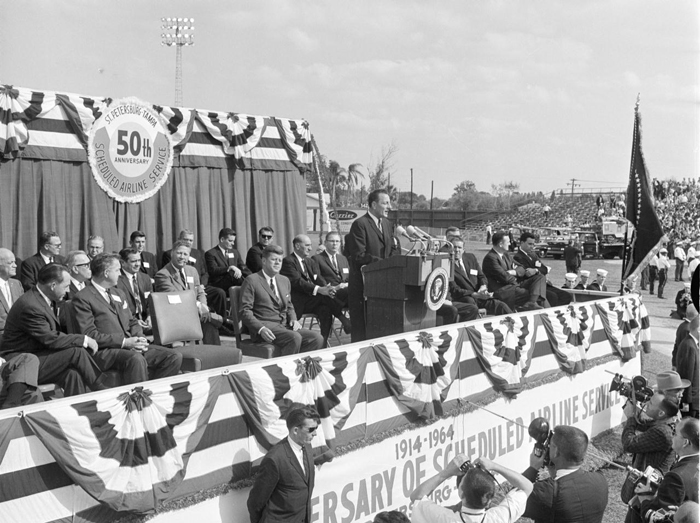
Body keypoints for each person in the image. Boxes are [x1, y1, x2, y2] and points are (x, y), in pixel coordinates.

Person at [72, 254, 182, 384]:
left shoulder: (118, 293)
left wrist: (139, 338)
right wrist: (124, 342)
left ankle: (153, 391)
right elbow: (89, 335)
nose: (120, 274)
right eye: (117, 270)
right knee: (136, 359)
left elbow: (132, 321)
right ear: (106, 273)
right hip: (104, 351)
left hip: (129, 346)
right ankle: (139, 395)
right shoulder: (83, 297)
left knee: (173, 357)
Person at [0, 263, 104, 396]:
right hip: (21, 363)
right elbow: (50, 339)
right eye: (66, 286)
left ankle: (78, 406)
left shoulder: (47, 298)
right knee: (76, 352)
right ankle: (103, 390)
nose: (68, 291)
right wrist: (84, 339)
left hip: (39, 354)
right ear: (53, 285)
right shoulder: (30, 306)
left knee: (72, 374)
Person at [239, 245, 323, 355]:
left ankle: (300, 363)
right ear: (264, 261)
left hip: (285, 326)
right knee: (294, 337)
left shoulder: (284, 280)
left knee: (316, 338)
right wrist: (260, 328)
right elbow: (245, 311)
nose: (277, 263)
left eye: (280, 260)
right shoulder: (252, 280)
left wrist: (293, 319)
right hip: (265, 328)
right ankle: (286, 365)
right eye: (274, 260)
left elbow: (289, 305)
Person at [247, 405, 319, 523]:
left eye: (316, 428)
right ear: (295, 430)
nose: (315, 433)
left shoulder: (307, 446)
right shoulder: (274, 459)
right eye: (311, 429)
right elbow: (255, 502)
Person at [522, 425, 608, 523]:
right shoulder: (601, 480)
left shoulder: (546, 492)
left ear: (556, 452)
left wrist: (533, 468)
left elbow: (513, 501)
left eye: (550, 445)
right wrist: (553, 470)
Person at [410, 454, 533, 523]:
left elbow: (417, 497)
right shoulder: (498, 518)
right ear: (489, 500)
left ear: (461, 494)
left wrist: (446, 472)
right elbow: (527, 486)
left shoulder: (445, 518)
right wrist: (494, 466)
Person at [346, 189, 397, 342]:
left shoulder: (387, 224)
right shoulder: (360, 224)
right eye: (385, 203)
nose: (389, 207)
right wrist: (384, 264)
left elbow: (392, 249)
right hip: (363, 288)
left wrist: (393, 262)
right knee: (361, 332)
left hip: (383, 287)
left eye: (389, 203)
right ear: (374, 205)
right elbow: (358, 255)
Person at [281, 234, 350, 345]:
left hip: (312, 300)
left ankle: (323, 343)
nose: (310, 248)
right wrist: (320, 289)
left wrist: (327, 288)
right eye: (307, 245)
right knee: (324, 297)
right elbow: (298, 282)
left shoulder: (309, 261)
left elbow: (317, 278)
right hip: (299, 302)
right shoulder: (288, 261)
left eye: (310, 245)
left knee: (325, 309)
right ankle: (342, 318)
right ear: (297, 246)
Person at [155, 241, 221, 345]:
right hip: (176, 315)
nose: (182, 257)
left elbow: (200, 292)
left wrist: (203, 306)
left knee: (208, 321)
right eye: (179, 253)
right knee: (210, 320)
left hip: (195, 313)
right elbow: (177, 297)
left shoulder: (192, 271)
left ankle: (214, 352)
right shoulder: (162, 275)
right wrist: (199, 306)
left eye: (185, 254)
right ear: (172, 253)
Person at [620, 393, 678, 504]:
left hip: (646, 491)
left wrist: (631, 417)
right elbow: (644, 424)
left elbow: (629, 444)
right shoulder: (666, 423)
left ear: (661, 413)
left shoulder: (662, 432)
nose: (646, 403)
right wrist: (634, 409)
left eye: (651, 403)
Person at [164, 230, 228, 322]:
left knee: (219, 292)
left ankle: (222, 321)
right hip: (182, 290)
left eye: (190, 240)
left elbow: (205, 273)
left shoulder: (197, 254)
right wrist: (199, 305)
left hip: (199, 285)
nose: (188, 242)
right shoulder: (168, 258)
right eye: (185, 239)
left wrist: (202, 286)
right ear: (179, 239)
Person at [482, 231, 547, 311]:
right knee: (534, 293)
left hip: (513, 285)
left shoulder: (506, 255)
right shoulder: (490, 258)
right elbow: (505, 277)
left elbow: (522, 268)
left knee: (540, 277)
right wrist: (516, 277)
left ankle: (532, 303)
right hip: (503, 290)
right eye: (508, 242)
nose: (510, 244)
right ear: (500, 244)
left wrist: (513, 272)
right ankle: (535, 306)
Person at [449, 239, 512, 316]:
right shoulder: (447, 264)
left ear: (463, 249)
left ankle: (515, 322)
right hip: (465, 298)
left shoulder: (470, 258)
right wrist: (474, 294)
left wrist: (483, 286)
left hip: (480, 295)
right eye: (454, 247)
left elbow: (481, 276)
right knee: (471, 303)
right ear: (450, 249)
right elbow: (455, 289)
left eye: (459, 247)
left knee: (501, 306)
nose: (457, 250)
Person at [514, 232, 572, 307]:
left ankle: (555, 311)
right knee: (553, 296)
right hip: (533, 286)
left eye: (533, 244)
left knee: (566, 296)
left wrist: (536, 270)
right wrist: (538, 270)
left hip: (543, 284)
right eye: (530, 244)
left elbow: (544, 269)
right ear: (522, 243)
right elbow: (528, 273)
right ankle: (550, 312)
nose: (532, 247)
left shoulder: (533, 255)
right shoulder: (518, 257)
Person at [116, 248, 154, 329]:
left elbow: (150, 301)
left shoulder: (145, 278)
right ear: (122, 263)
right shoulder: (116, 280)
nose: (138, 264)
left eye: (139, 260)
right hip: (127, 322)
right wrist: (134, 321)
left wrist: (150, 316)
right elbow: (118, 308)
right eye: (133, 261)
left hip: (146, 320)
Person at [312, 231, 350, 309]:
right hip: (330, 292)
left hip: (346, 291)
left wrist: (347, 284)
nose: (335, 244)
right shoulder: (317, 258)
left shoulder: (343, 259)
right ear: (325, 243)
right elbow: (318, 278)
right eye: (332, 241)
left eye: (337, 241)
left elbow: (348, 276)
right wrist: (335, 287)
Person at [205, 227, 251, 292]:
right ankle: (250, 288)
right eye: (230, 241)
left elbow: (243, 267)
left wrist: (253, 277)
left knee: (250, 278)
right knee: (232, 273)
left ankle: (252, 286)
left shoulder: (235, 252)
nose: (233, 243)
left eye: (233, 241)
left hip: (235, 281)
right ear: (222, 239)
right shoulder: (211, 253)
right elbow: (213, 270)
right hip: (218, 284)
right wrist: (229, 268)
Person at [675, 314, 699, 418]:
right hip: (691, 402)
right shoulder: (689, 346)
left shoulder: (693, 344)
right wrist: (686, 402)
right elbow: (686, 376)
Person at [0, 248, 23, 343]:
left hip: (19, 334)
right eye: (10, 263)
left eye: (15, 262)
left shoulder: (17, 284)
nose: (15, 265)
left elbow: (24, 309)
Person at [673, 305, 698, 370]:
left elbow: (676, 346)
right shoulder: (688, 329)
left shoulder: (683, 325)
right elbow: (688, 351)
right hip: (685, 364)